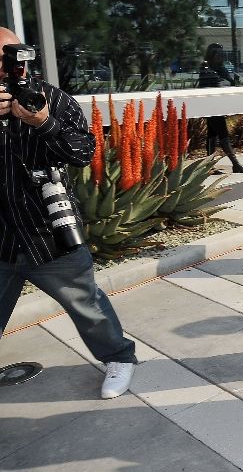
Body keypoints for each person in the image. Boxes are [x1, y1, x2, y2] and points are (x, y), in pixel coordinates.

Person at [0, 27, 136, 399]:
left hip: (47, 230)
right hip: (1, 239)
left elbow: (81, 153)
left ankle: (119, 358)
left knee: (86, 304)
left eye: (8, 55)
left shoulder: (50, 99)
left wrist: (41, 123)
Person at [197, 43, 243, 174]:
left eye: (221, 54)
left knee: (212, 134)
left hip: (219, 105)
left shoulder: (221, 69)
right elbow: (209, 85)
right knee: (223, 134)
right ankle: (235, 164)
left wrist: (232, 81)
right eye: (217, 54)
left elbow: (230, 82)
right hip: (211, 105)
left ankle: (209, 165)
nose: (221, 56)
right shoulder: (206, 69)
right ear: (211, 56)